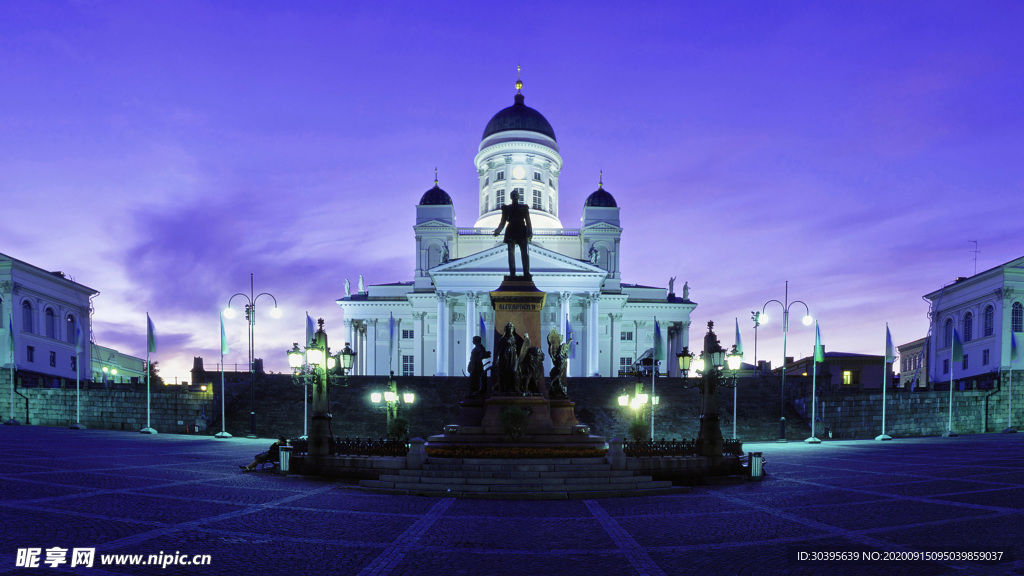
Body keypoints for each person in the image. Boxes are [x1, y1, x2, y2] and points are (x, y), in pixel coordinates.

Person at [493, 190, 533, 277]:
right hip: (511, 230)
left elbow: (528, 221)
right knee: (511, 253)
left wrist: (530, 232)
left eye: (516, 195)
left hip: (521, 229)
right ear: (511, 197)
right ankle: (512, 273)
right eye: (513, 195)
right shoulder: (507, 208)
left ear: (518, 197)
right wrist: (498, 231)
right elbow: (503, 222)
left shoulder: (524, 207)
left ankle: (526, 272)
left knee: (524, 253)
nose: (515, 196)